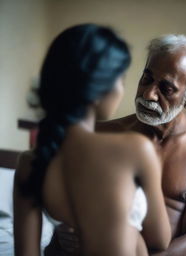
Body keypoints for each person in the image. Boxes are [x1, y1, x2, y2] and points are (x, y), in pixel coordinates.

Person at [47, 34, 186, 256]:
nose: (148, 94)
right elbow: (68, 210)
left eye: (166, 88)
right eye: (146, 79)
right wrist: (63, 231)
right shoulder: (102, 134)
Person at [13, 24, 171, 256]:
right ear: (100, 89)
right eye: (121, 80)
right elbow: (160, 240)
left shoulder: (30, 162)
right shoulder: (134, 149)